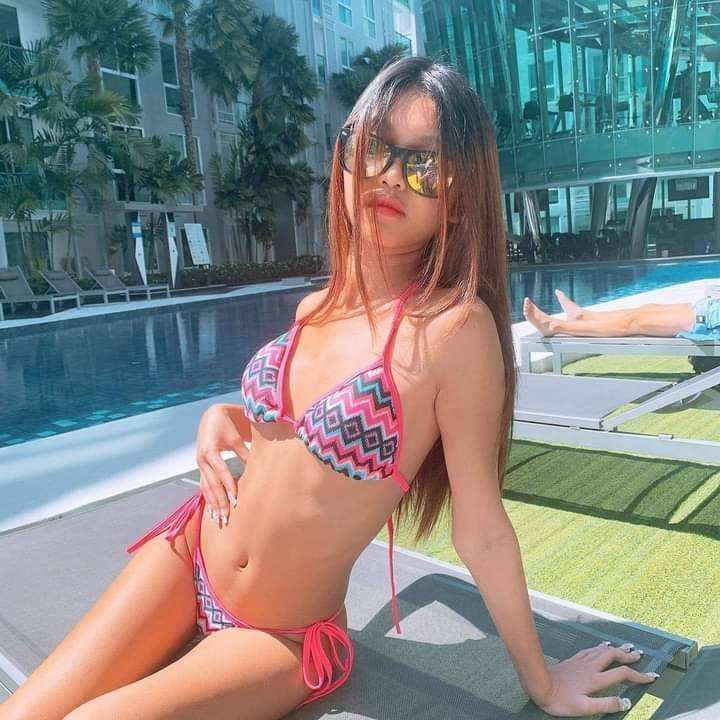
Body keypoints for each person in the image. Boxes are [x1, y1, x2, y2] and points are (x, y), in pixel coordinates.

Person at [2, 57, 657, 720]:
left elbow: (481, 532)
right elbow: (291, 442)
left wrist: (543, 682)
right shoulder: (315, 307)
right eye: (373, 148)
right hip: (191, 546)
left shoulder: (454, 331)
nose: (389, 176)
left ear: (460, 199)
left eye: (425, 165)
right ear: (343, 156)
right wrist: (222, 416)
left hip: (283, 637)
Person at [523, 288, 720, 339]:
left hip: (710, 322)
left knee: (637, 322)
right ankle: (583, 316)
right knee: (647, 309)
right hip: (710, 309)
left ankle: (554, 326)